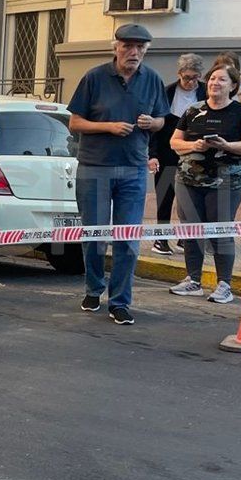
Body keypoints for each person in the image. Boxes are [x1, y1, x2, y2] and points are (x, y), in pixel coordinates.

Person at [69, 24, 168, 325]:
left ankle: (120, 300)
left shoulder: (152, 80)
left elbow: (163, 120)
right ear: (116, 48)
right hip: (95, 166)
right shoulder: (95, 77)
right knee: (95, 234)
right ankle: (93, 287)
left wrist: (153, 123)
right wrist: (107, 127)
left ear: (146, 51)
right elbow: (74, 122)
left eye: (140, 47)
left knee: (127, 238)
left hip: (133, 169)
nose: (134, 52)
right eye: (128, 46)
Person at [166, 64, 241, 304]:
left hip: (226, 181)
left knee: (221, 230)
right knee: (191, 229)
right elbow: (174, 142)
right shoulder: (192, 110)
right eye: (213, 79)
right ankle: (193, 280)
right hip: (188, 179)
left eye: (222, 80)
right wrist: (193, 146)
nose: (216, 83)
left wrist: (226, 146)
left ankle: (224, 284)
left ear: (233, 85)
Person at [148, 53, 205, 255]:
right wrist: (152, 155)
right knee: (165, 195)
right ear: (179, 73)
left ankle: (185, 237)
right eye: (186, 77)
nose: (190, 82)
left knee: (191, 197)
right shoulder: (167, 92)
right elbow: (156, 127)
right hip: (166, 151)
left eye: (195, 77)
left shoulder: (206, 92)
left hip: (196, 153)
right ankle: (160, 239)